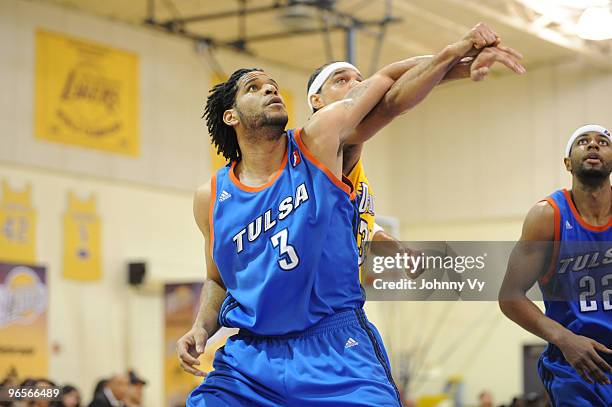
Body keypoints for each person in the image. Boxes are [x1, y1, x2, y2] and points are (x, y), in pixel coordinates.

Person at [178, 24, 524, 406]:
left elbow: (389, 93)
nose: (270, 89)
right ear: (231, 117)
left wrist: (457, 55)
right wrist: (200, 326)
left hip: (333, 344)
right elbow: (217, 278)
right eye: (255, 88)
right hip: (252, 359)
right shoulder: (209, 197)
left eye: (272, 84)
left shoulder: (318, 141)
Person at [306, 30, 524, 276]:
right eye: (341, 80)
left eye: (359, 79)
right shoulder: (322, 141)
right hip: (316, 299)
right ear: (316, 100)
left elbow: (367, 228)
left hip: (334, 294)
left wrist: (399, 251)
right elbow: (392, 96)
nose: (356, 85)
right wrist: (458, 55)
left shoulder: (349, 158)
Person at [499, 124, 612, 406]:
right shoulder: (547, 216)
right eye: (583, 141)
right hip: (576, 364)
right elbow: (510, 296)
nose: (593, 145)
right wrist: (564, 339)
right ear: (567, 162)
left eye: (603, 142)